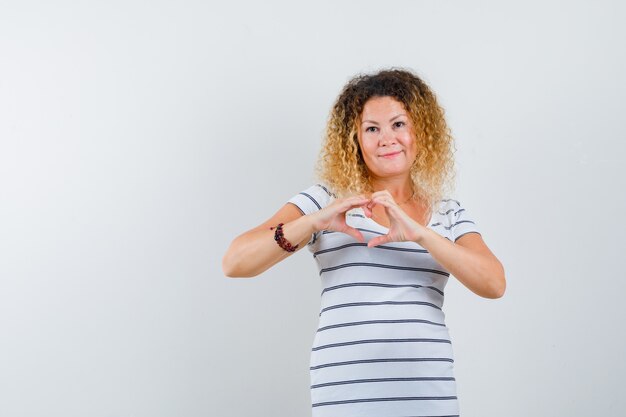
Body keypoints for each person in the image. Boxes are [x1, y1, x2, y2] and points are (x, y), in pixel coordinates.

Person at [222, 68, 506, 417]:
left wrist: (421, 234)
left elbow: (493, 283)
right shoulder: (328, 200)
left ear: (421, 131)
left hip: (427, 395)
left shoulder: (447, 212)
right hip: (346, 396)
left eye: (399, 124)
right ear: (354, 139)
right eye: (372, 128)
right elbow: (235, 262)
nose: (387, 138)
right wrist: (313, 221)